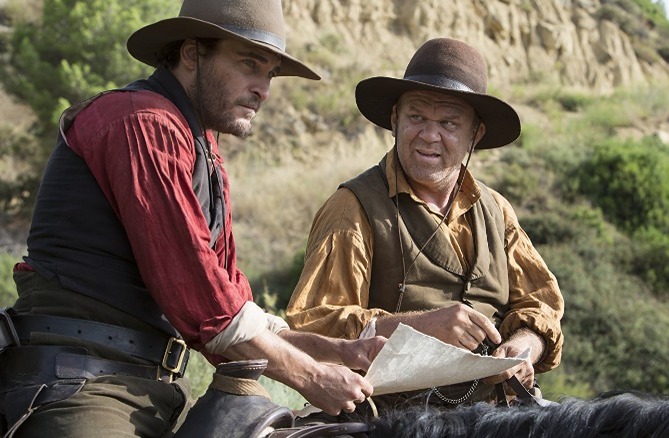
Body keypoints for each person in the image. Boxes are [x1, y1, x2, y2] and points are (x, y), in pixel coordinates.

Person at [0, 0, 385, 436]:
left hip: (147, 389)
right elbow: (205, 302)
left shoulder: (201, 149)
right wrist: (311, 376)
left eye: (270, 74)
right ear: (192, 53)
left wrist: (333, 351)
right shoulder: (142, 123)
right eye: (249, 64)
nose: (264, 89)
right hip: (81, 383)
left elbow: (233, 305)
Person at [286, 37, 564, 411]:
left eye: (449, 123)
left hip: (497, 417)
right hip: (388, 419)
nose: (429, 135)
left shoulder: (497, 211)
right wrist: (420, 327)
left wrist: (526, 347)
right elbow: (312, 327)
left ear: (475, 135)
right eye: (417, 117)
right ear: (395, 120)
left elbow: (541, 304)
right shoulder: (352, 207)